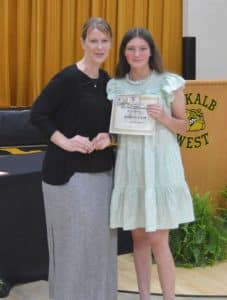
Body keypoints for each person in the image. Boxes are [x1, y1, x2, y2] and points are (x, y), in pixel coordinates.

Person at [30, 17, 117, 300]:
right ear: (82, 43)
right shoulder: (67, 79)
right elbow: (38, 114)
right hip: (68, 177)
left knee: (101, 248)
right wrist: (65, 142)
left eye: (104, 41)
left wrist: (110, 137)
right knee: (73, 249)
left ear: (111, 44)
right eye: (93, 41)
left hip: (103, 177)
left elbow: (115, 126)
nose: (99, 46)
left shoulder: (109, 83)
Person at [107, 27, 195, 300]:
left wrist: (164, 119)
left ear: (151, 51)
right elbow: (111, 127)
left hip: (160, 165)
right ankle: (144, 296)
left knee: (159, 239)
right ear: (124, 52)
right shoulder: (116, 86)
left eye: (142, 49)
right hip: (132, 166)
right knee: (139, 238)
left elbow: (186, 126)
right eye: (131, 49)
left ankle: (169, 297)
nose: (137, 54)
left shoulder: (169, 82)